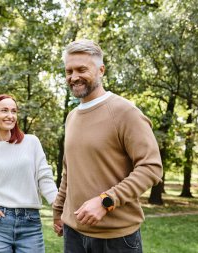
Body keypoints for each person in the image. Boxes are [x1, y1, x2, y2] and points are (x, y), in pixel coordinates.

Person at [52, 39, 163, 253]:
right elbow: (70, 170)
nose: (74, 77)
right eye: (69, 71)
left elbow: (151, 168)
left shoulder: (125, 112)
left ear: (101, 70)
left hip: (116, 239)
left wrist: (106, 201)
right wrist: (58, 210)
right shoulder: (72, 117)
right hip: (73, 235)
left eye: (82, 69)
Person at [0, 94, 58, 253]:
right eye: (4, 110)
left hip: (30, 224)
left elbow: (44, 178)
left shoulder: (31, 142)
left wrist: (58, 206)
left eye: (14, 111)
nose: (10, 116)